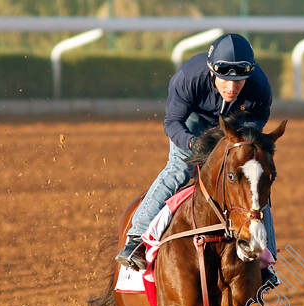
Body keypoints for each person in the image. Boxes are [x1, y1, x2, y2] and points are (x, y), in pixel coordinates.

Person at [115, 33, 279, 285]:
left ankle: (264, 260)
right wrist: (193, 143)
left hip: (234, 128)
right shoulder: (189, 79)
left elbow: (258, 119)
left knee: (252, 183)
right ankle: (136, 238)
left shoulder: (260, 86)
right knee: (179, 170)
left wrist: (242, 140)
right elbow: (172, 122)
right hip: (193, 126)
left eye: (239, 81)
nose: (232, 88)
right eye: (225, 79)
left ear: (249, 74)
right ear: (212, 72)